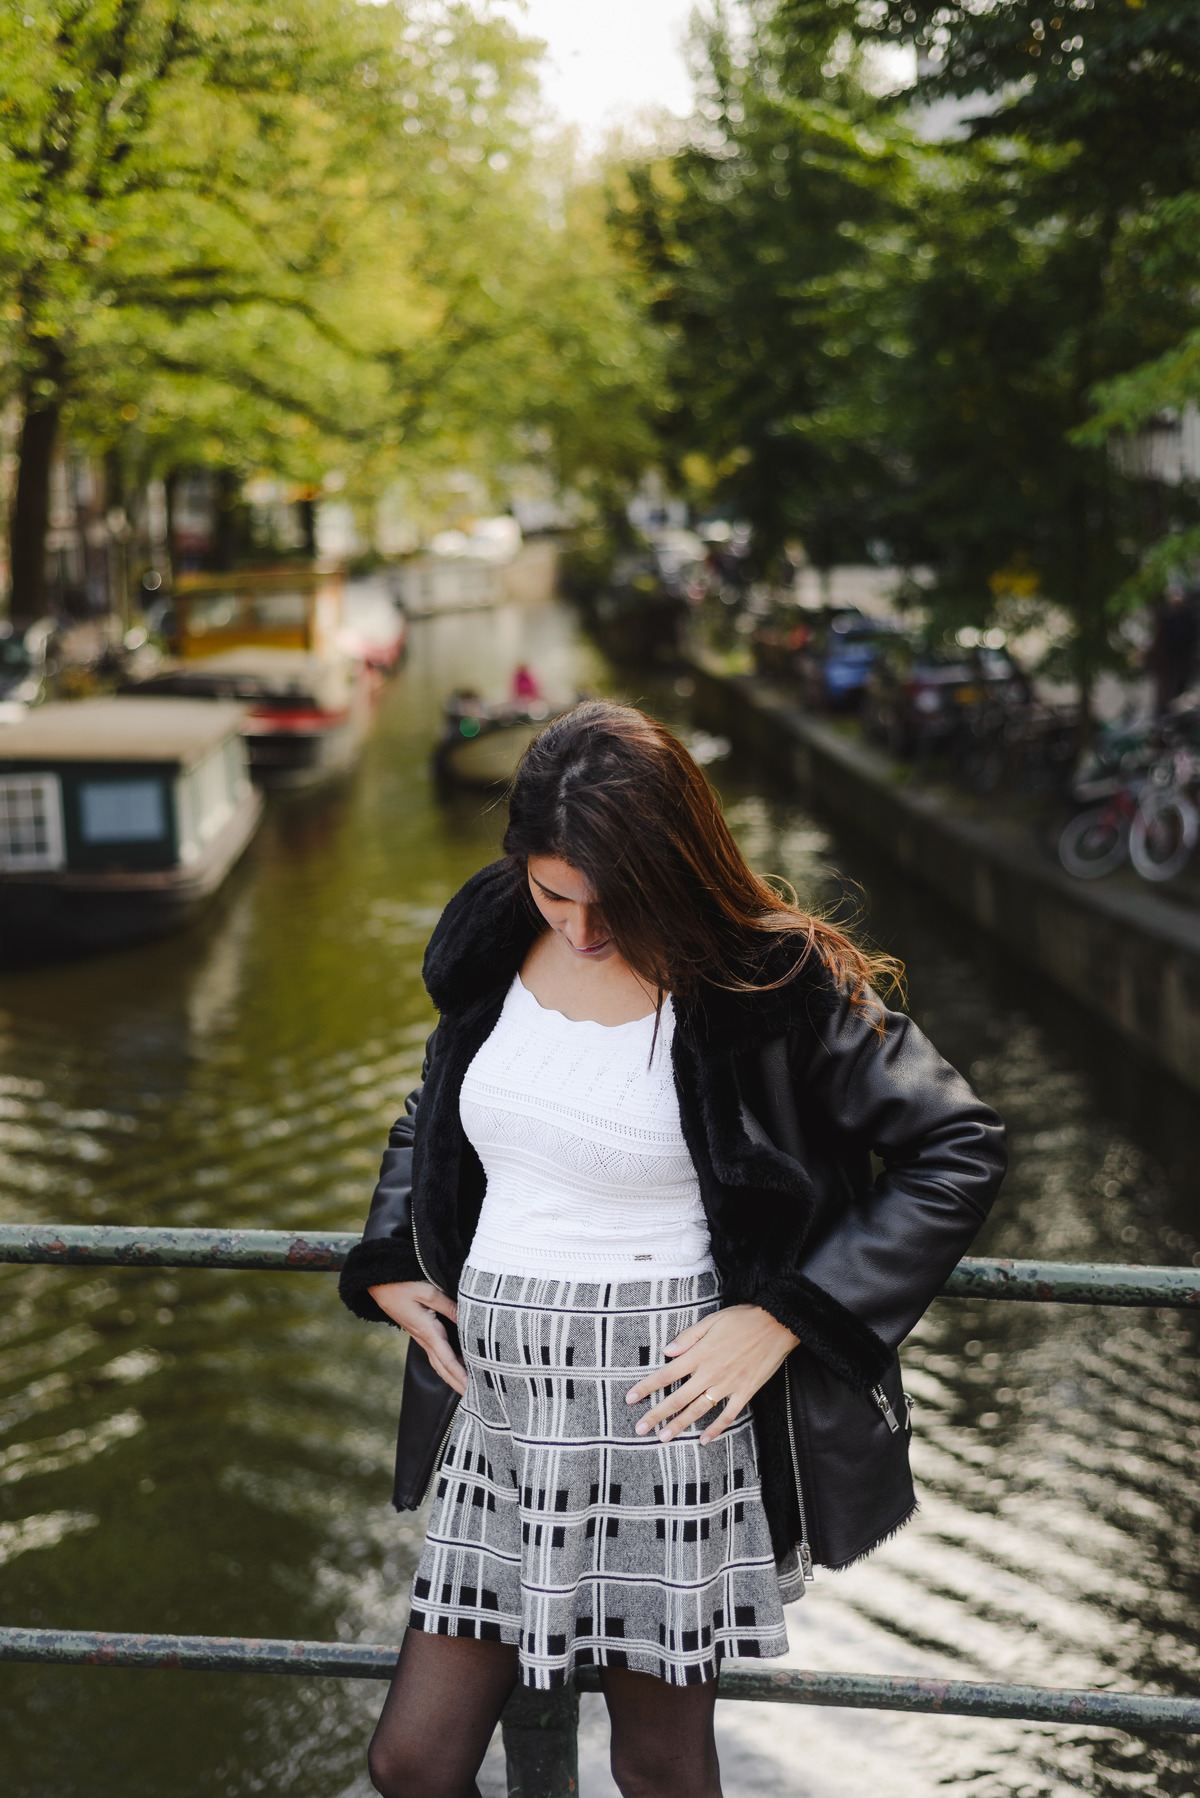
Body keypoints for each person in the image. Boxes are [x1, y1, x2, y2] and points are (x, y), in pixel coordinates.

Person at [339, 700, 1006, 1798]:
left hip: (663, 1412)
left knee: (657, 1768)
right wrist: (391, 1253)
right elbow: (437, 1107)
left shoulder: (769, 980)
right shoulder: (494, 935)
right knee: (410, 1762)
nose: (583, 931)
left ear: (675, 866)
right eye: (556, 893)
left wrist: (791, 1310)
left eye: (617, 902)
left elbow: (957, 1145)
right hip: (500, 1416)